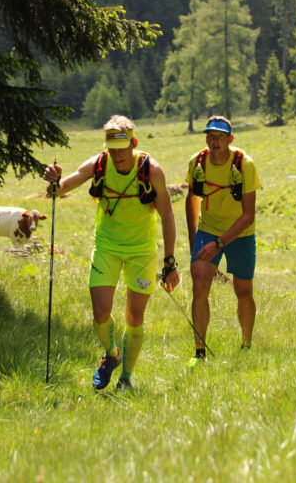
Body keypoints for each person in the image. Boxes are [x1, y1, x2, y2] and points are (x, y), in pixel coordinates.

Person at [43, 115, 180, 391]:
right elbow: (60, 189)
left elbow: (167, 215)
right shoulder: (99, 163)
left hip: (141, 251)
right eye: (112, 149)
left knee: (135, 317)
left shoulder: (151, 170)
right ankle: (112, 354)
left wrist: (170, 262)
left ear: (134, 143)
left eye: (122, 148)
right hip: (107, 246)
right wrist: (53, 181)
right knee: (100, 311)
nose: (117, 156)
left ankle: (126, 378)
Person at [185, 116, 261, 363]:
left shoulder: (244, 165)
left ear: (230, 139)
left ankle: (247, 344)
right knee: (199, 285)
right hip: (207, 230)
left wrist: (220, 243)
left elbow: (249, 215)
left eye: (220, 136)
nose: (214, 141)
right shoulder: (197, 162)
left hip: (240, 233)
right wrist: (193, 235)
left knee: (243, 290)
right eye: (210, 136)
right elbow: (192, 198)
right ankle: (199, 351)